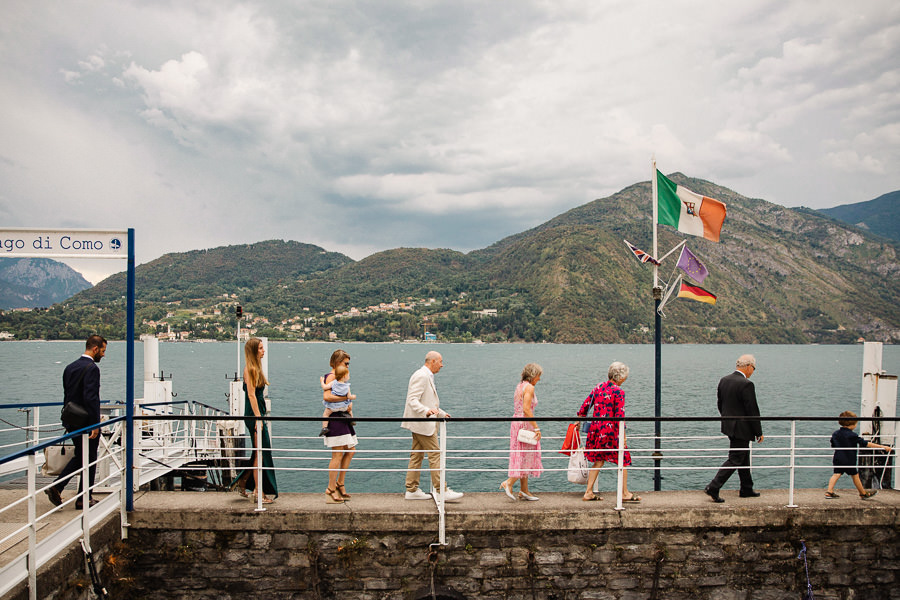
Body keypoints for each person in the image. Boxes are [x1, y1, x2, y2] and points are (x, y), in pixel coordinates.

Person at [46, 335, 107, 509]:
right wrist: (95, 424)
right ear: (95, 349)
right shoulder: (92, 368)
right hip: (87, 423)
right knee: (89, 457)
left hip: (71, 419)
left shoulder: (69, 367)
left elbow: (69, 395)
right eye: (102, 351)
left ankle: (60, 489)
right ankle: (82, 498)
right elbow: (91, 397)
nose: (103, 355)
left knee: (81, 456)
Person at [401, 351, 463, 501]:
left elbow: (428, 402)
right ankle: (442, 490)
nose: (442, 365)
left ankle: (411, 489)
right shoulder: (421, 376)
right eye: (440, 362)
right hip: (423, 423)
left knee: (417, 456)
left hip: (421, 423)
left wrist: (441, 413)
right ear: (432, 361)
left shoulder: (425, 375)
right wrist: (427, 411)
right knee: (435, 454)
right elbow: (413, 400)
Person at [578, 361, 639, 503]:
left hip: (596, 430)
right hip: (610, 431)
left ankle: (588, 492)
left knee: (599, 461)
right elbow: (619, 416)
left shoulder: (598, 387)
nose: (625, 380)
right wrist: (623, 436)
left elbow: (585, 406)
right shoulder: (619, 391)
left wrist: (578, 419)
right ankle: (624, 493)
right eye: (625, 377)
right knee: (622, 460)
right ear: (620, 377)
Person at [704, 354, 763, 503]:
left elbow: (720, 404)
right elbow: (752, 410)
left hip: (729, 426)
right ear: (749, 366)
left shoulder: (724, 380)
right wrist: (758, 432)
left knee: (744, 457)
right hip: (742, 428)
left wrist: (727, 419)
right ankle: (714, 486)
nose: (753, 372)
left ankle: (746, 488)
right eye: (753, 369)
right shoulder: (747, 384)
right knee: (736, 458)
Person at [229, 338, 278, 504]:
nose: (264, 351)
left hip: (258, 413)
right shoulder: (250, 369)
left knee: (260, 451)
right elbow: (251, 395)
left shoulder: (257, 367)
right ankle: (258, 492)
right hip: (254, 414)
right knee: (260, 452)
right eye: (261, 348)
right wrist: (258, 418)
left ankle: (243, 482)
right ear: (254, 351)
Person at [500, 363, 544, 501]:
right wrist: (536, 427)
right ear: (533, 375)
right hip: (525, 424)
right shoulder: (529, 387)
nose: (539, 379)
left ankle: (524, 490)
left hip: (516, 423)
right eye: (538, 376)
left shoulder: (520, 386)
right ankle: (509, 482)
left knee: (522, 455)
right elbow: (526, 409)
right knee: (524, 456)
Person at [825, 410, 891, 499]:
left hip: (838, 457)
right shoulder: (852, 435)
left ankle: (829, 491)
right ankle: (862, 493)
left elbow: (833, 445)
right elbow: (866, 444)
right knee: (855, 476)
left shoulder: (835, 434)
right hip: (849, 459)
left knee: (836, 474)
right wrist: (882, 447)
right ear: (852, 424)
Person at [322, 349, 356, 503]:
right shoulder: (332, 376)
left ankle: (340, 482)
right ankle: (330, 489)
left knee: (350, 450)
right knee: (337, 455)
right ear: (337, 362)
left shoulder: (341, 376)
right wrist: (346, 398)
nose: (348, 366)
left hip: (344, 418)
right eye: (346, 363)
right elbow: (327, 396)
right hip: (336, 418)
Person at [318, 362, 355, 436]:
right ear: (345, 376)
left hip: (333, 407)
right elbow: (349, 396)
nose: (349, 376)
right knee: (350, 406)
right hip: (344, 407)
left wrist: (322, 381)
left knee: (326, 414)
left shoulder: (333, 383)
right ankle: (352, 419)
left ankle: (324, 427)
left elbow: (324, 387)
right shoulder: (347, 386)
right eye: (348, 375)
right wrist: (353, 397)